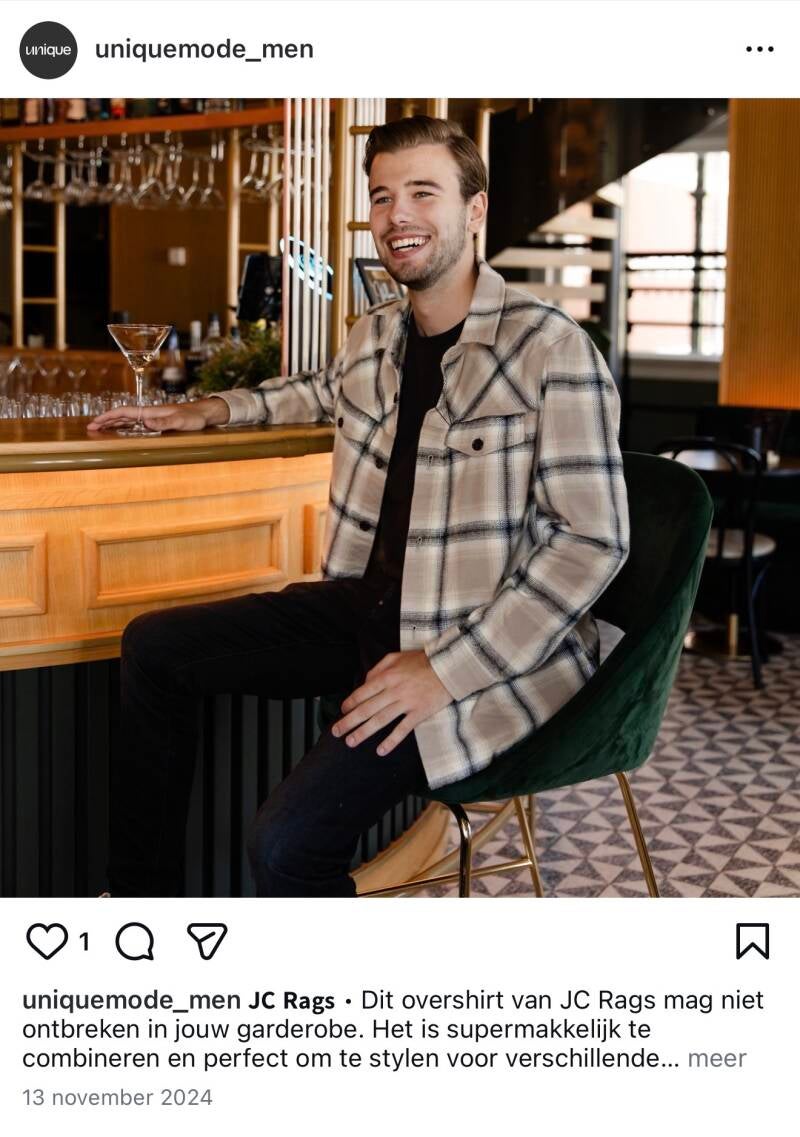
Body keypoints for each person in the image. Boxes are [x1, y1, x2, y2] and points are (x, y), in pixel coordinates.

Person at [88, 115, 629, 898]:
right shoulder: (375, 336)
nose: (397, 214)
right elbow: (311, 393)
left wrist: (442, 671)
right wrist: (204, 410)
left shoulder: (550, 348)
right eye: (382, 196)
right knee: (154, 647)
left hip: (477, 649)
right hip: (366, 613)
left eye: (423, 192)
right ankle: (141, 910)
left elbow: (593, 541)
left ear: (475, 209)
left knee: (284, 845)